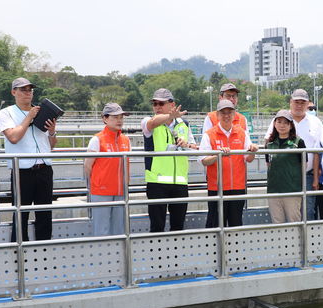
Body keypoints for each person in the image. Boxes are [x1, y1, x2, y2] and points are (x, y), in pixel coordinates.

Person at [0, 77, 57, 242]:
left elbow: (51, 145)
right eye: (23, 89)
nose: (27, 93)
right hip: (21, 171)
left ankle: (44, 252)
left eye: (30, 89)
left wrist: (52, 132)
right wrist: (29, 117)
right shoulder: (7, 112)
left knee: (44, 213)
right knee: (20, 214)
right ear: (13, 92)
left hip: (44, 168)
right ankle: (19, 254)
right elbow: (13, 137)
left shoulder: (41, 112)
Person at [141, 88, 196, 232]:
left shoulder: (184, 124)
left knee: (178, 226)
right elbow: (152, 124)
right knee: (157, 227)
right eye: (155, 104)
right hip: (156, 182)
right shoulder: (148, 121)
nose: (157, 107)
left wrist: (187, 145)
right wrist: (169, 117)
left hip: (180, 182)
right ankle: (157, 254)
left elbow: (194, 148)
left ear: (172, 104)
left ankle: (175, 254)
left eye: (161, 103)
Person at [266, 89, 323, 220]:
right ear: (290, 102)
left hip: (307, 175)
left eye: (302, 103)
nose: (299, 105)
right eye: (296, 102)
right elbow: (268, 144)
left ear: (308, 104)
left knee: (308, 211)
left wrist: (315, 179)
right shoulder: (279, 119)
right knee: (283, 215)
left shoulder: (315, 122)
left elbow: (316, 152)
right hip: (283, 177)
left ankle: (307, 240)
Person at [200, 100, 258, 227]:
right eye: (223, 113)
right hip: (217, 188)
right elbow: (204, 160)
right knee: (215, 224)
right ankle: (215, 247)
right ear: (217, 115)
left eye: (229, 112)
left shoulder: (242, 133)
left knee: (235, 224)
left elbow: (249, 158)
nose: (226, 116)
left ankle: (234, 247)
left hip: (237, 187)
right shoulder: (209, 135)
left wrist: (253, 151)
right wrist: (218, 155)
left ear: (234, 114)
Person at [84, 103, 131, 236]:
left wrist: (126, 185)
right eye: (115, 117)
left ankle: (118, 256)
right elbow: (88, 166)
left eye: (121, 117)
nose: (119, 120)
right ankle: (101, 256)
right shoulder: (97, 139)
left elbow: (127, 165)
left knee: (119, 230)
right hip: (101, 192)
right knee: (101, 230)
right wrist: (100, 183)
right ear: (105, 118)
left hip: (121, 191)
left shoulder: (126, 140)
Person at [265, 110, 306, 223]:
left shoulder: (298, 142)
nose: (282, 125)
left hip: (292, 190)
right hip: (274, 190)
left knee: (294, 222)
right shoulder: (269, 143)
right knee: (277, 223)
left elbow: (304, 165)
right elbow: (268, 164)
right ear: (274, 124)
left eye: (285, 122)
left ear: (291, 125)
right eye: (279, 122)